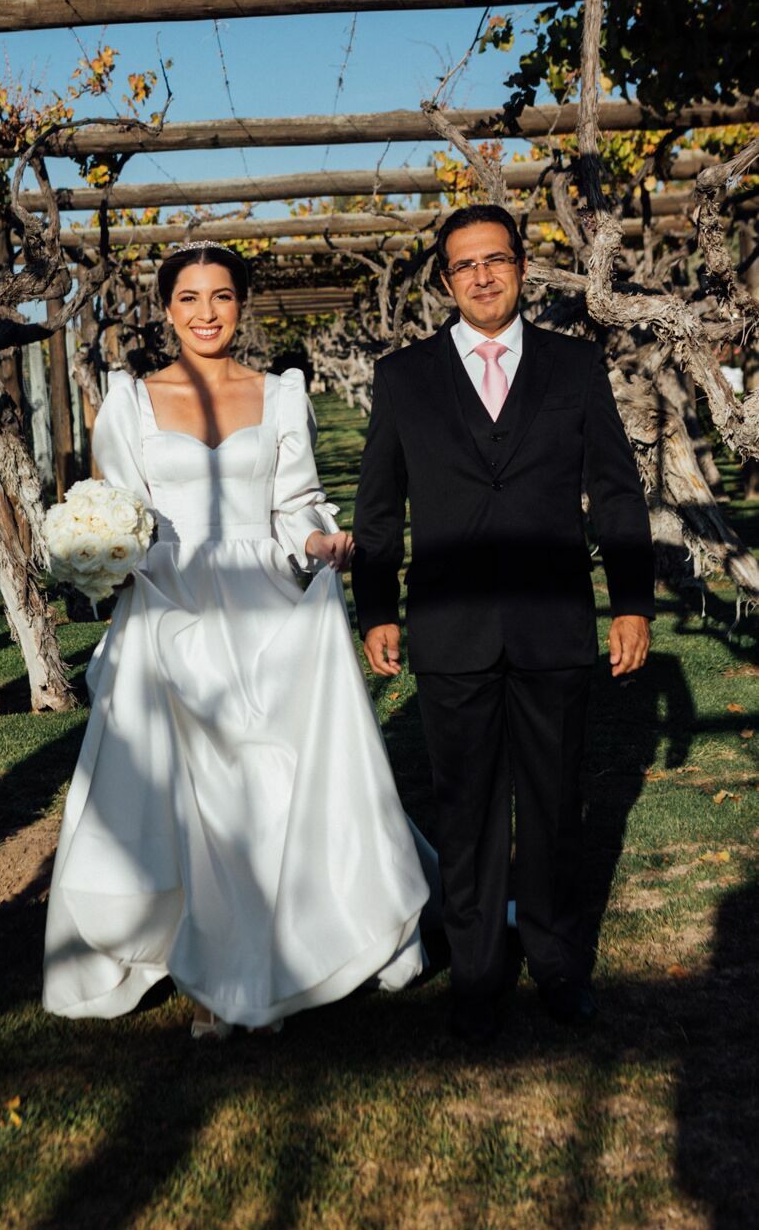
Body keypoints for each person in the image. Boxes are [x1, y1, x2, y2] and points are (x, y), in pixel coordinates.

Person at [43, 242, 437, 1036]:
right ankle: (203, 955)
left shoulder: (280, 395)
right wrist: (103, 554)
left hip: (265, 606)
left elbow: (299, 503)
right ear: (165, 310)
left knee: (269, 779)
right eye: (187, 298)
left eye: (221, 296)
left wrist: (316, 540)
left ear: (242, 303)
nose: (205, 313)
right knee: (192, 790)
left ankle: (278, 945)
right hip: (169, 604)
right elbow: (116, 507)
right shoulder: (128, 403)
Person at [353, 204, 655, 1043]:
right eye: (463, 265)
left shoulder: (574, 367)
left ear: (523, 267)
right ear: (444, 281)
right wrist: (376, 607)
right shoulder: (403, 376)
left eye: (496, 259)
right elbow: (378, 509)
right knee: (467, 807)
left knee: (557, 805)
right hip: (448, 631)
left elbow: (618, 492)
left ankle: (558, 965)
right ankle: (479, 976)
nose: (481, 276)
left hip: (552, 624)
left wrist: (630, 600)